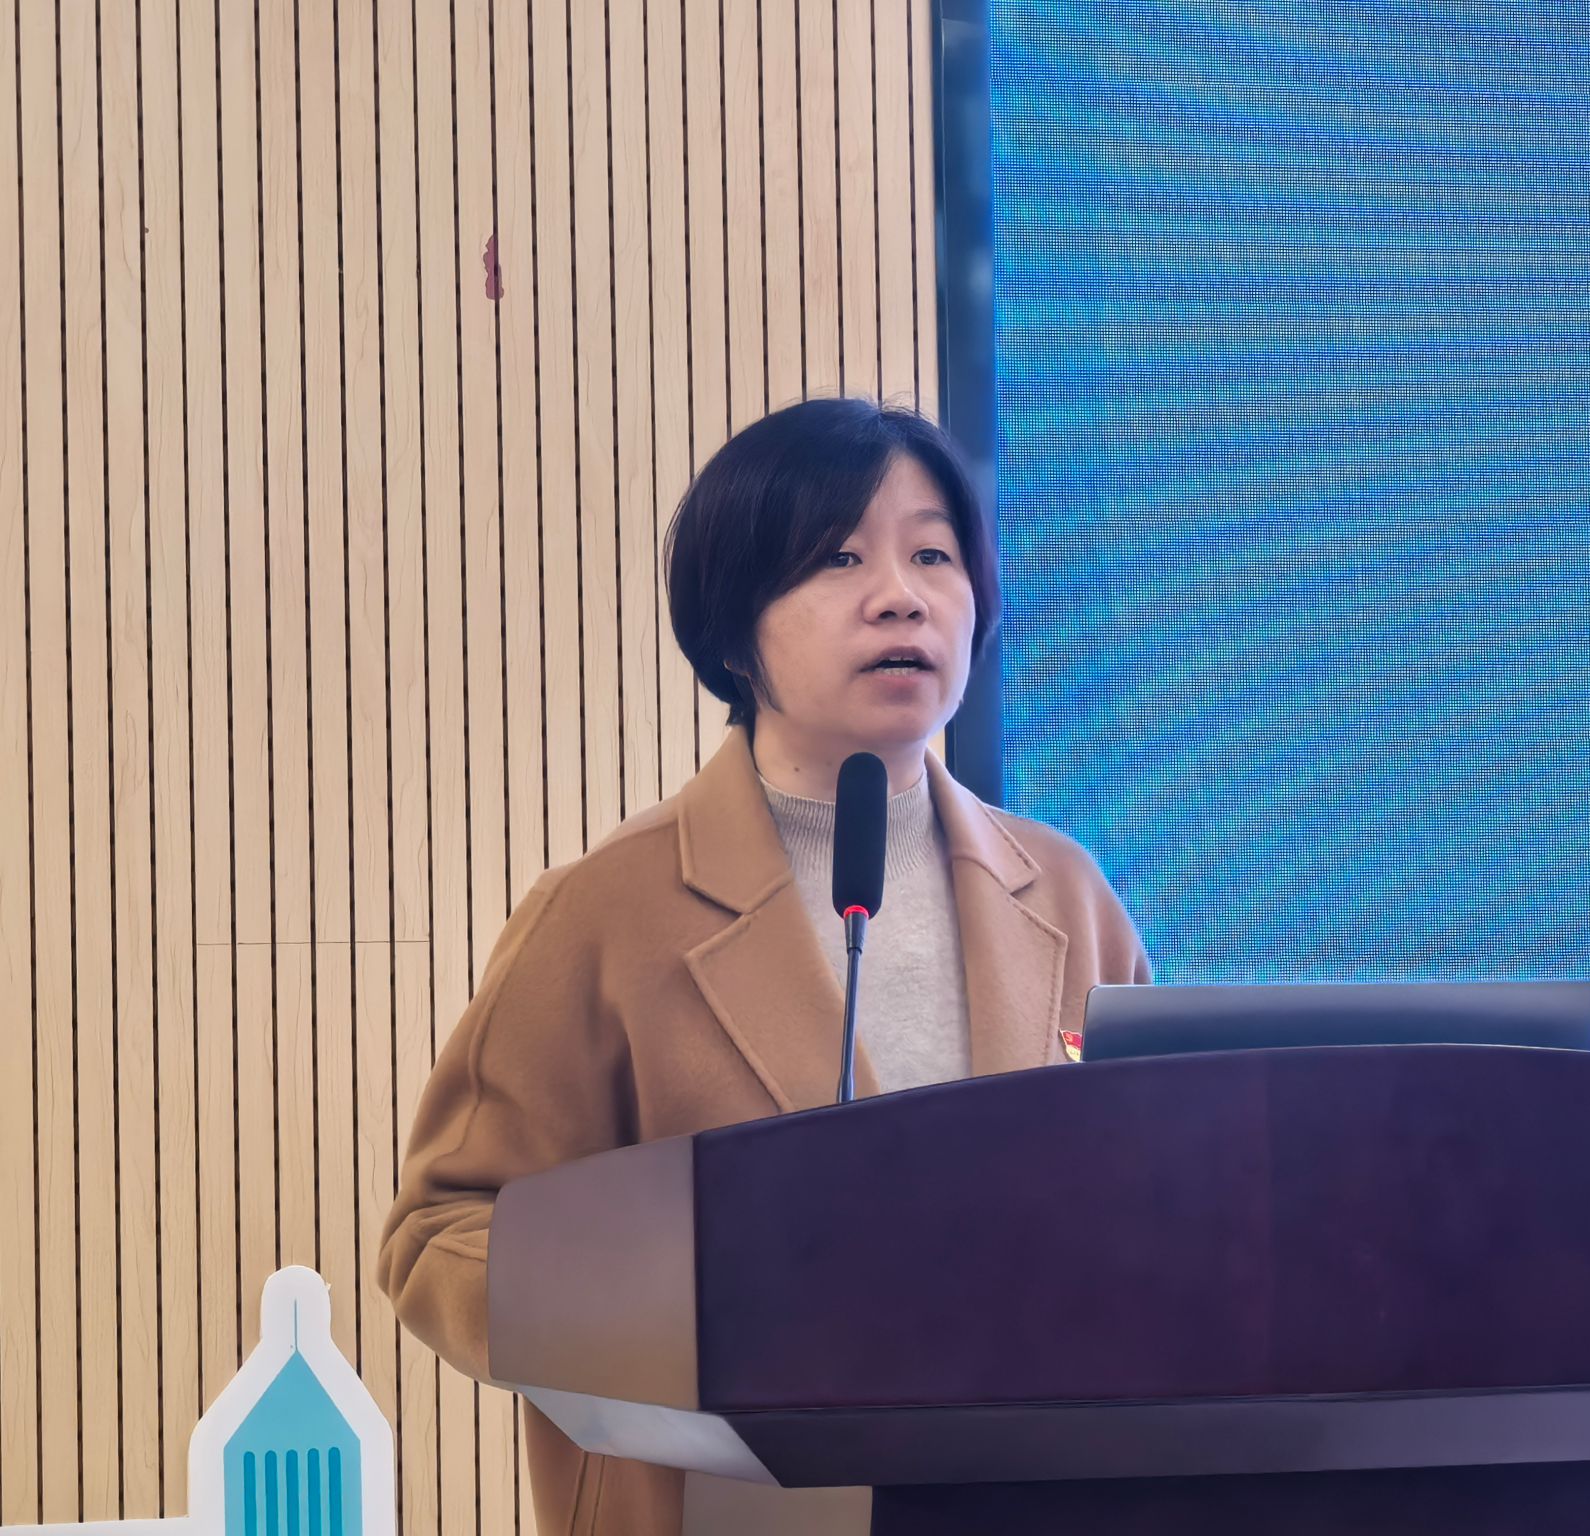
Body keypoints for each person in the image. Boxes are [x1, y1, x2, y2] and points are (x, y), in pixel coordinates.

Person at [377, 397, 1150, 1536]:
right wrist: (693, 1309)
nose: (900, 595)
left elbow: (1164, 1195)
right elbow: (441, 1233)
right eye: (839, 557)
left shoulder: (1068, 892)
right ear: (735, 632)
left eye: (932, 555)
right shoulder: (604, 914)